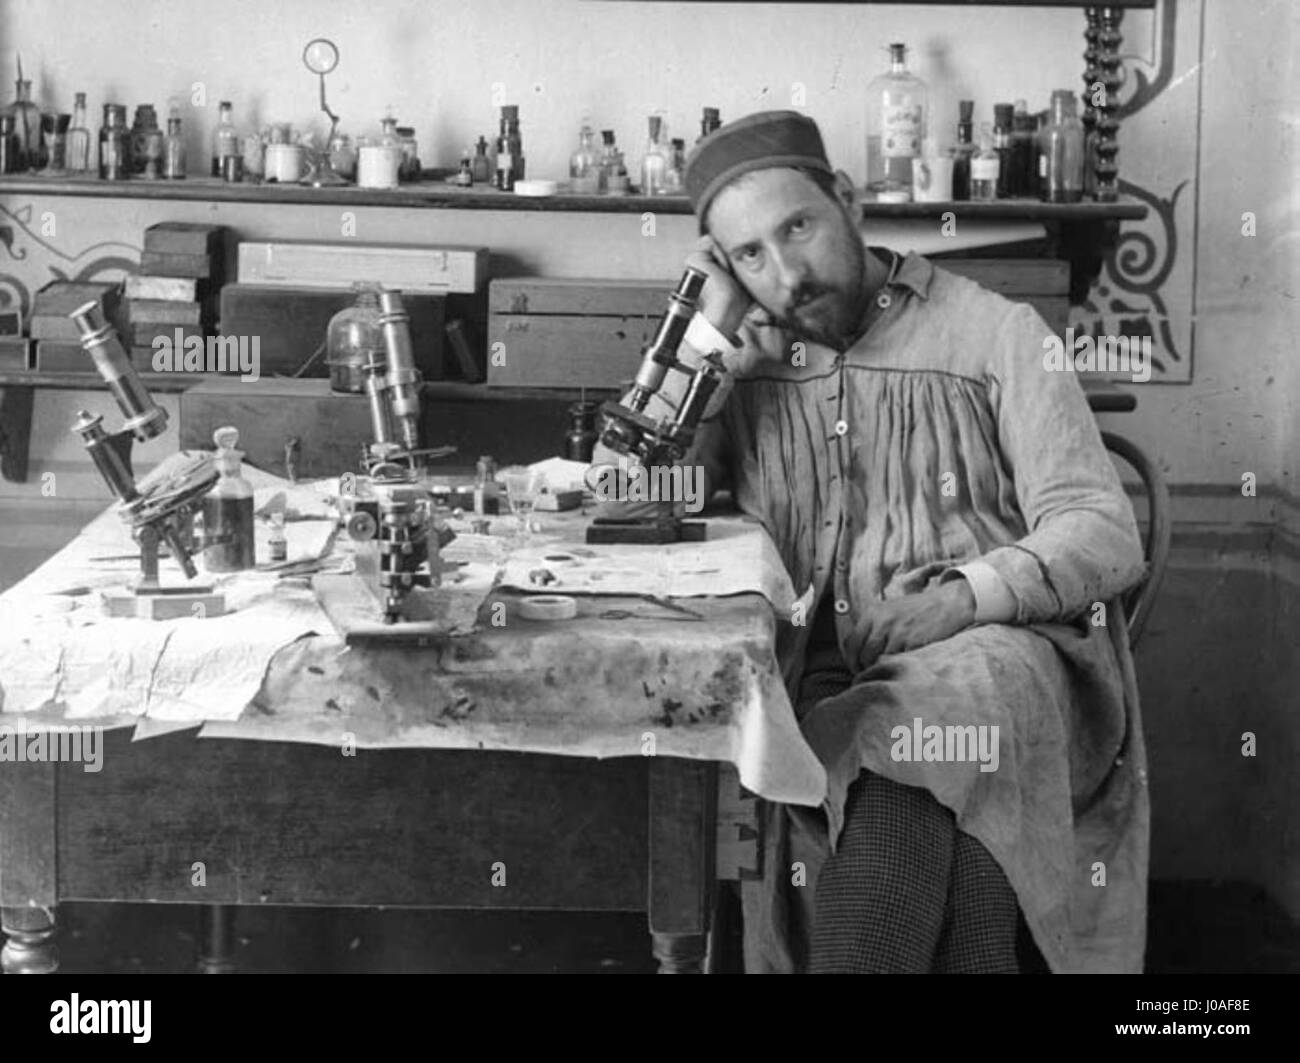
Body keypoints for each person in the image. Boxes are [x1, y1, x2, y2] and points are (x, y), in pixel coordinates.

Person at [598, 110, 1150, 973]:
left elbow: (1102, 529)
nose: (787, 273)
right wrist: (706, 336)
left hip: (998, 657)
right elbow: (623, 496)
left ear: (847, 202)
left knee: (913, 746)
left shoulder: (996, 332)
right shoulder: (742, 361)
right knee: (967, 858)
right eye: (750, 256)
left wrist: (965, 594)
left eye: (798, 228)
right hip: (824, 672)